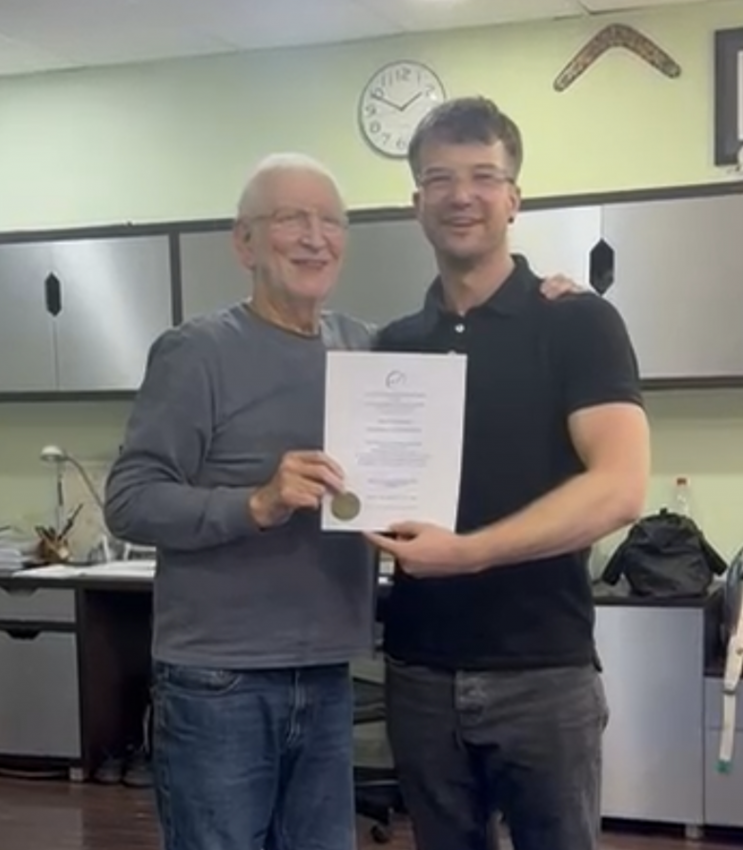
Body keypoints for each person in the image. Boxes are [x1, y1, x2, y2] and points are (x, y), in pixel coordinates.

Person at [104, 151, 593, 850]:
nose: (314, 238)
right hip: (222, 678)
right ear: (244, 242)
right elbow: (129, 499)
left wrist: (554, 300)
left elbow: (469, 353)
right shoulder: (197, 352)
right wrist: (255, 504)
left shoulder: (366, 348)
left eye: (330, 222)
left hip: (330, 672)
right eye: (290, 219)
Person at [367, 96, 651, 850]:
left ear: (514, 198)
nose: (461, 195)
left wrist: (468, 552)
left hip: (542, 673)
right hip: (420, 671)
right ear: (417, 203)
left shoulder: (578, 322)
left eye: (483, 176)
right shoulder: (393, 347)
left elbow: (620, 487)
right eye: (439, 178)